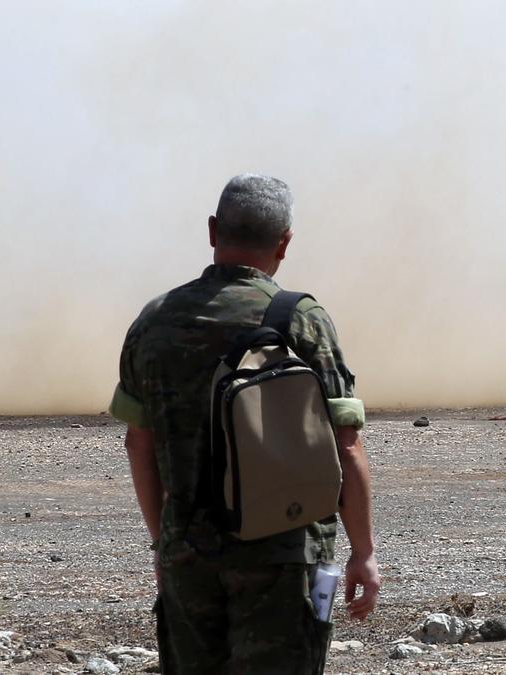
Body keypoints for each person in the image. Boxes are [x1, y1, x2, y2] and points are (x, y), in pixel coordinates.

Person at [108, 174, 381, 674]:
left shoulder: (154, 323)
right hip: (288, 556)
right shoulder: (300, 320)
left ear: (213, 231)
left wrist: (164, 542)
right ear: (285, 242)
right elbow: (346, 446)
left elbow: (137, 444)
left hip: (188, 555)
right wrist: (363, 552)